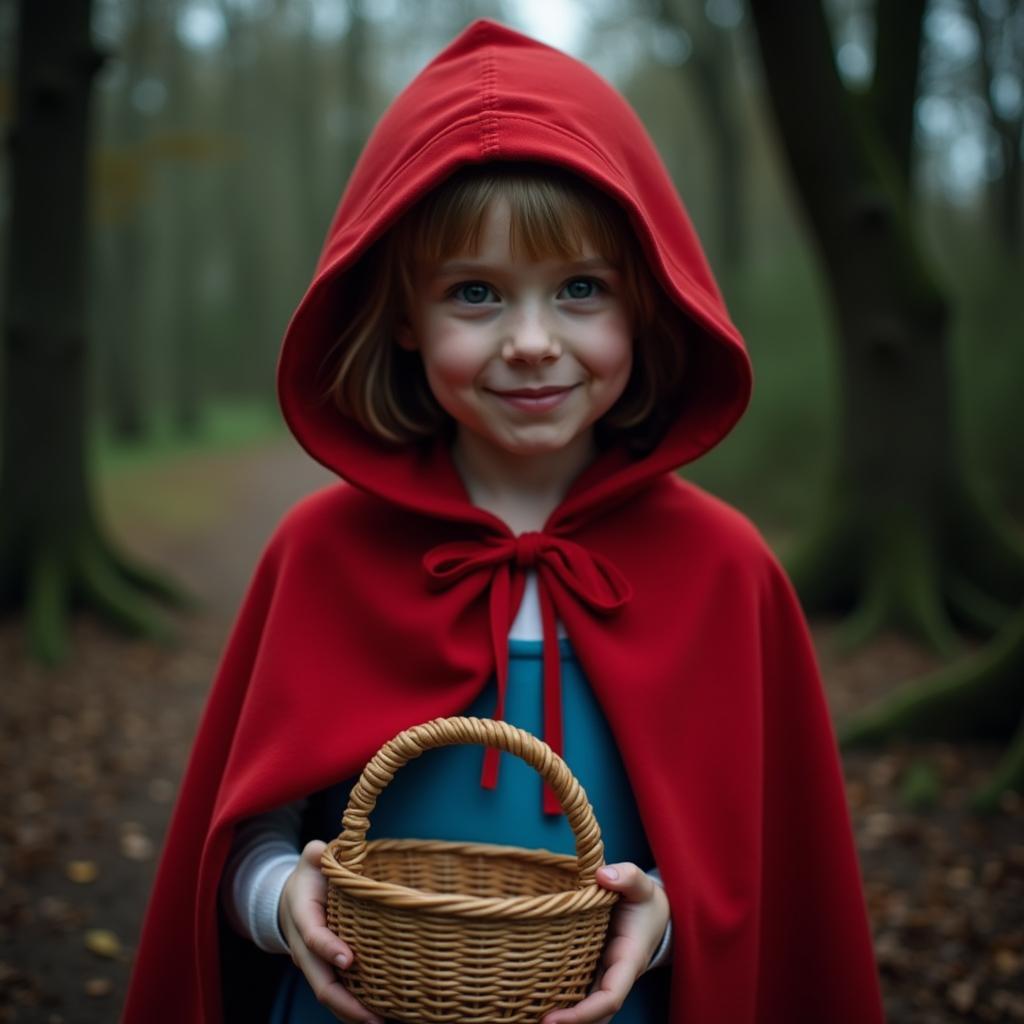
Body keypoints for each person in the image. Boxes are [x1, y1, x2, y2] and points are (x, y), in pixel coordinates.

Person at [122, 19, 885, 1024]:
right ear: (403, 314)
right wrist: (282, 904)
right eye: (474, 294)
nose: (531, 342)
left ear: (645, 304)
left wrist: (657, 927)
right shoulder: (323, 554)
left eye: (579, 289)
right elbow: (244, 847)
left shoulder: (723, 569)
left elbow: (770, 900)